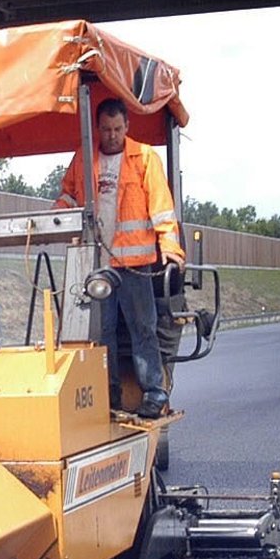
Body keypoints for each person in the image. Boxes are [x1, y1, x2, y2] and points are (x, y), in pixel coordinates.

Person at [56, 97, 184, 419]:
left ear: (127, 127)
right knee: (101, 334)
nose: (112, 135)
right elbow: (69, 196)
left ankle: (154, 394)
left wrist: (169, 247)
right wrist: (53, 220)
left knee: (143, 329)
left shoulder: (143, 158)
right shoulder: (85, 159)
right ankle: (107, 394)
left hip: (134, 265)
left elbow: (161, 207)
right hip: (97, 266)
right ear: (97, 129)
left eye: (117, 129)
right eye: (106, 129)